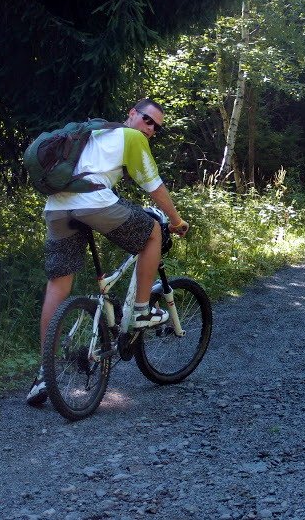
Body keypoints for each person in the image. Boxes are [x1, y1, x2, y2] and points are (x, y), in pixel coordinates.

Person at [26, 98, 189, 406]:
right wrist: (177, 221)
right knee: (154, 233)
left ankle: (44, 374)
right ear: (132, 113)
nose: (150, 128)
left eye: (156, 126)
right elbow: (154, 187)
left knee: (59, 284)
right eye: (147, 119)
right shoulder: (132, 137)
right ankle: (141, 310)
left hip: (58, 206)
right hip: (92, 202)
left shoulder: (96, 131)